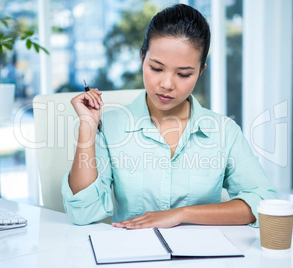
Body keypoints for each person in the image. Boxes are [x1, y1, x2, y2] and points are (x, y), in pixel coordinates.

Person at [62, 4, 278, 229]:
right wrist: (87, 126)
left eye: (183, 74)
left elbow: (264, 202)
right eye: (156, 68)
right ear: (142, 58)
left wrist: (181, 214)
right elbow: (82, 213)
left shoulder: (224, 131)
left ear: (201, 71)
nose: (166, 84)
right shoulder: (110, 127)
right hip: (134, 257)